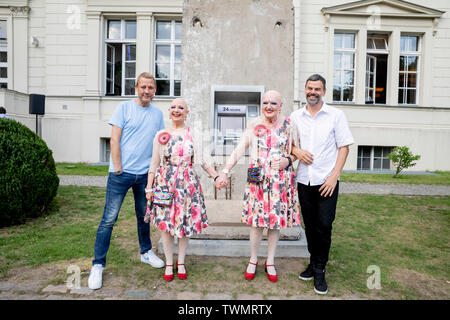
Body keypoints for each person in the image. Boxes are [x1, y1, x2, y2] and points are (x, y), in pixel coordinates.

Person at [88, 72, 165, 290]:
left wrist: (155, 172)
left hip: (144, 177)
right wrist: (118, 167)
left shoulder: (158, 114)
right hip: (120, 175)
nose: (146, 91)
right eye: (143, 87)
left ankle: (146, 252)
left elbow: (158, 144)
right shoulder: (123, 108)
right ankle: (98, 264)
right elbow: (115, 139)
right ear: (136, 88)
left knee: (144, 217)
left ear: (155, 90)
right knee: (108, 220)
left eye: (150, 88)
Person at [217, 90, 301, 282]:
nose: (268, 107)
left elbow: (296, 151)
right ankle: (253, 260)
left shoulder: (289, 125)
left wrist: (288, 160)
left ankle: (270, 261)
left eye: (273, 103)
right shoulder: (254, 124)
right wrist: (225, 171)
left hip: (280, 181)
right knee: (256, 224)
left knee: (274, 224)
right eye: (265, 103)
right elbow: (240, 149)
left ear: (281, 106)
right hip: (258, 181)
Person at [145, 98, 221, 281]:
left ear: (187, 112)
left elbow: (203, 160)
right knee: (166, 225)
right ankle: (169, 263)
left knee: (184, 225)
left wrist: (216, 176)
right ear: (169, 111)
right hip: (164, 184)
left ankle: (181, 262)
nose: (176, 110)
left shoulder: (193, 134)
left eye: (181, 108)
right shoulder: (160, 135)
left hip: (187, 186)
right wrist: (149, 188)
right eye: (173, 107)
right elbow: (154, 163)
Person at [291, 74, 354, 295]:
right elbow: (287, 144)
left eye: (317, 89)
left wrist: (334, 176)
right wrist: (296, 151)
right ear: (305, 89)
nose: (313, 92)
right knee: (309, 224)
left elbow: (344, 146)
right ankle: (312, 261)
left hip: (326, 181)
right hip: (304, 180)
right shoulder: (295, 116)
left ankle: (320, 269)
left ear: (324, 92)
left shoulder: (336, 115)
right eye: (309, 88)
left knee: (324, 225)